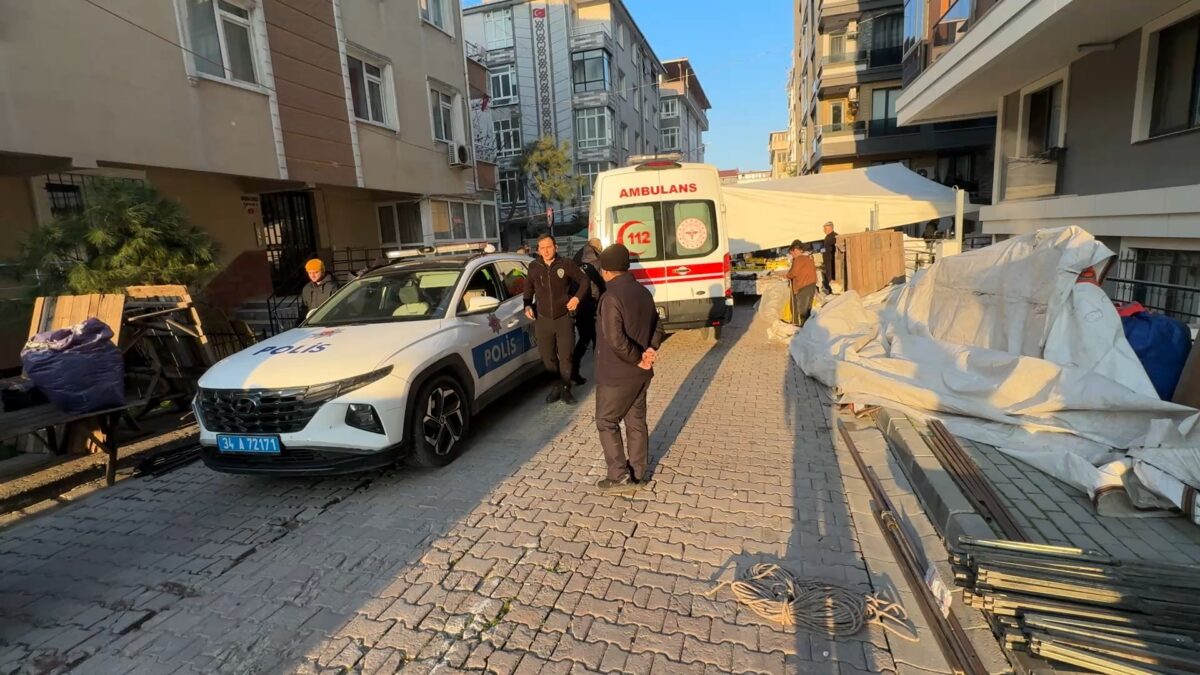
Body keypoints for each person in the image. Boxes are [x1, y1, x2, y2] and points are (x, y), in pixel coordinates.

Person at [594, 244, 664, 490]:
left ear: (605, 271)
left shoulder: (610, 297)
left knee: (606, 421)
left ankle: (619, 475)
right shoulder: (643, 292)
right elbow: (658, 325)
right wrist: (651, 349)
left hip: (617, 374)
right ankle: (638, 473)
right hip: (641, 375)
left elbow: (615, 340)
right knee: (636, 422)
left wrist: (637, 358)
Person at [524, 234, 590, 404]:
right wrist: (527, 305)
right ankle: (556, 387)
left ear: (556, 247)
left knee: (566, 356)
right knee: (548, 357)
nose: (546, 251)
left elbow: (584, 280)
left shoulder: (566, 264)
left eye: (549, 247)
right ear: (538, 250)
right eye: (542, 248)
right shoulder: (533, 267)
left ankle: (566, 389)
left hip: (563, 319)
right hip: (543, 319)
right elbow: (528, 290)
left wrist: (577, 298)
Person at [571, 238, 605, 384]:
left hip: (579, 304)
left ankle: (573, 369)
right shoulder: (598, 261)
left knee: (584, 338)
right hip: (593, 304)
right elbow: (600, 284)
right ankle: (601, 372)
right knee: (598, 339)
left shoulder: (576, 258)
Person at [785, 240, 818, 326]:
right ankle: (807, 327)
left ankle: (802, 328)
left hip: (803, 286)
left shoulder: (799, 259)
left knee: (802, 311)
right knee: (808, 310)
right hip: (811, 285)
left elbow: (794, 273)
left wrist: (787, 275)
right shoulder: (810, 257)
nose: (792, 255)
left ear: (796, 250)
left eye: (792, 253)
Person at [821, 221, 837, 294]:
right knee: (829, 276)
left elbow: (832, 249)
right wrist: (821, 250)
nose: (824, 230)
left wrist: (824, 250)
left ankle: (833, 291)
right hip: (827, 261)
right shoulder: (827, 237)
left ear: (830, 228)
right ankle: (831, 291)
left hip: (831, 261)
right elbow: (826, 248)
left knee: (831, 277)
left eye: (825, 229)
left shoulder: (834, 237)